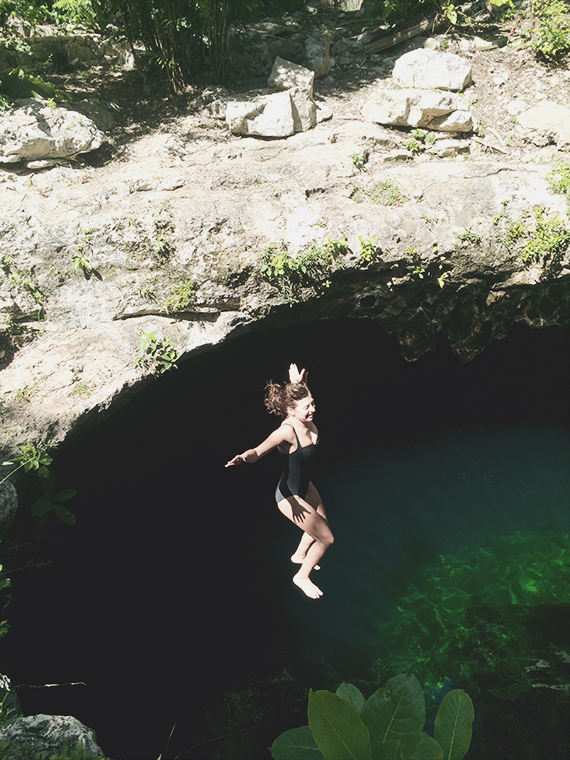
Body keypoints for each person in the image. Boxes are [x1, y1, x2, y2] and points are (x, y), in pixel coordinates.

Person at [225, 364, 334, 599]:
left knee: (321, 524)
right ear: (290, 411)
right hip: (289, 496)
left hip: (305, 486)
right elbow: (258, 451)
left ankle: (299, 556)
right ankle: (301, 576)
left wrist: (298, 384)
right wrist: (244, 457)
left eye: (313, 403)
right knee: (326, 538)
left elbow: (302, 396)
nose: (312, 409)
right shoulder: (285, 432)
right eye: (307, 407)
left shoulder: (302, 412)